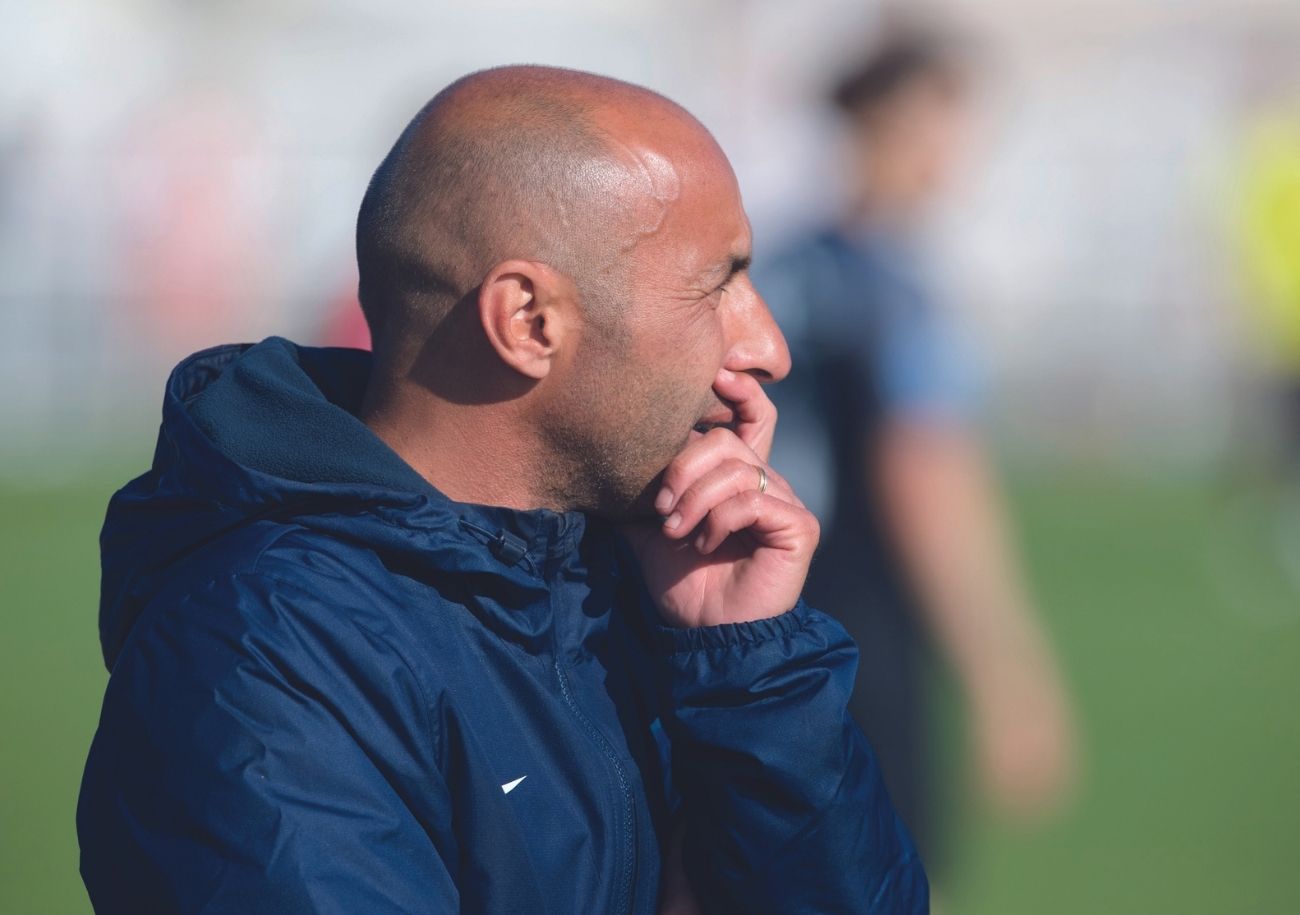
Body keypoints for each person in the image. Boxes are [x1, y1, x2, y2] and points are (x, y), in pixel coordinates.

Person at [77, 66, 928, 914]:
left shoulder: (638, 589)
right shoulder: (262, 656)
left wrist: (748, 671)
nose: (769, 346)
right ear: (527, 321)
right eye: (717, 285)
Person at [760, 31, 1076, 868]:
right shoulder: (894, 290)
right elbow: (926, 474)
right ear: (900, 121)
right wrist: (1006, 672)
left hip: (752, 616)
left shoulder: (779, 267)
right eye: (952, 118)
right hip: (862, 626)